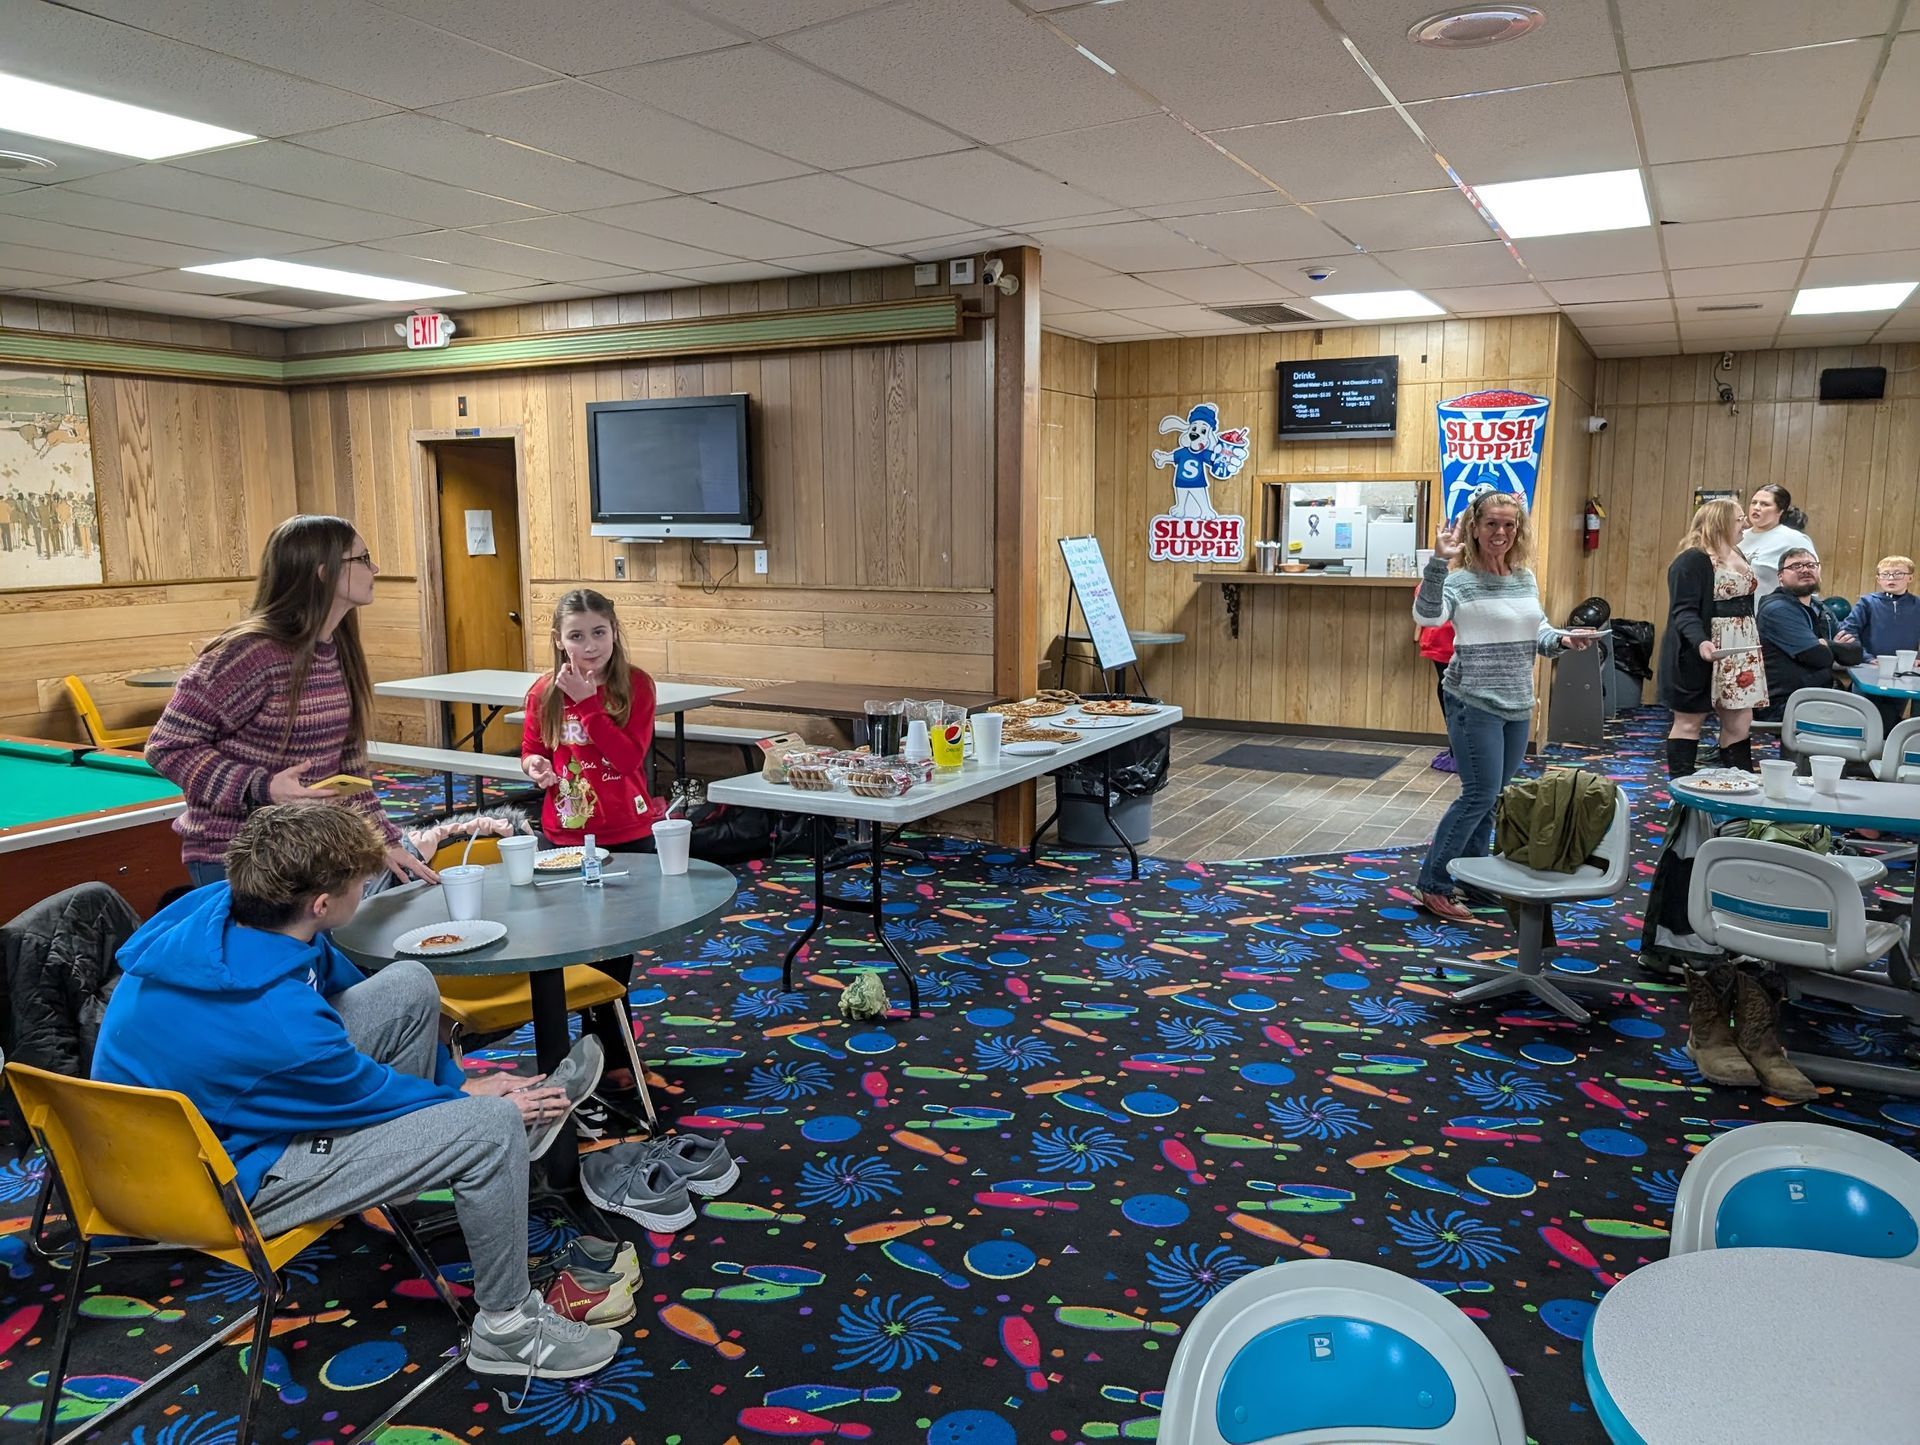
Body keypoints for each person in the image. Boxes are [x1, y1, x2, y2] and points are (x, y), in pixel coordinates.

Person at [90, 804, 622, 1382]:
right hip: (215, 1180)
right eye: (359, 886)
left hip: (165, 1133)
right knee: (491, 1131)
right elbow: (361, 1091)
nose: (364, 893)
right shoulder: (285, 1028)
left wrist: (452, 1083)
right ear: (322, 904)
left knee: (409, 984)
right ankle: (507, 1328)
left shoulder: (227, 911)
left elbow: (348, 1001)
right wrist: (478, 1106)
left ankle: (442, 1158)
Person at [145, 515, 435, 888]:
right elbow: (167, 746)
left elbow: (347, 768)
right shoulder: (249, 653)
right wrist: (261, 787)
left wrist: (386, 841)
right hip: (240, 857)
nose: (374, 568)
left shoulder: (335, 646)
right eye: (362, 559)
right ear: (324, 573)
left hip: (307, 851)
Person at [1412, 491, 1593, 923]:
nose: (1501, 533)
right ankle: (1434, 885)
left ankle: (1473, 880)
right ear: (1474, 528)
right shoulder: (1459, 581)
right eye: (1492, 524)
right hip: (1473, 700)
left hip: (1517, 701)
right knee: (1477, 795)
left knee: (1492, 798)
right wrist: (1438, 562)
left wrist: (1564, 640)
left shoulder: (1524, 577)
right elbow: (1427, 617)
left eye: (1509, 525)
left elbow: (1539, 631)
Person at [521, 589, 663, 852]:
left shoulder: (637, 685)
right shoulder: (543, 692)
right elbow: (532, 751)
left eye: (599, 632)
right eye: (576, 636)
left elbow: (627, 760)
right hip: (566, 830)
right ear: (558, 640)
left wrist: (587, 704)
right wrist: (534, 765)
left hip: (628, 828)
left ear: (614, 631)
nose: (590, 646)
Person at [1659, 499, 1767, 777]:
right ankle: (1681, 793)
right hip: (1703, 647)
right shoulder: (1691, 560)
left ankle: (1738, 788)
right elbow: (1683, 612)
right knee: (1689, 721)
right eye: (1739, 519)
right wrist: (1701, 643)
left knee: (1740, 721)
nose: (1745, 523)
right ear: (1720, 523)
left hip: (1739, 647)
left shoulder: (1738, 553)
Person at [1756, 549, 1862, 724]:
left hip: (1817, 696)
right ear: (1780, 576)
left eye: (1811, 565)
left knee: (1876, 713)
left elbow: (1854, 654)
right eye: (1796, 566)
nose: (1805, 569)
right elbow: (1818, 657)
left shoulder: (1821, 609)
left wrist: (1825, 644)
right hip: (1786, 703)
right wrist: (1832, 648)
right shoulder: (1777, 610)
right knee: (1868, 721)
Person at [1839, 555, 1920, 731]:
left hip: (1903, 673)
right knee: (1863, 715)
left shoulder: (1917, 605)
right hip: (1870, 669)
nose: (1891, 579)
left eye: (1898, 574)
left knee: (1891, 717)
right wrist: (1867, 658)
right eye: (1885, 574)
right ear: (1878, 579)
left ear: (1910, 577)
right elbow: (1849, 630)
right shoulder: (1867, 602)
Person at [1739, 483, 1816, 597]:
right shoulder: (1738, 537)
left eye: (1765, 504)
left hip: (1775, 610)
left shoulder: (1794, 539)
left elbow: (1810, 581)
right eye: (1754, 502)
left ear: (1780, 511)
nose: (1756, 507)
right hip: (1740, 611)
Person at [1416, 614, 1457, 773]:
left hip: (1446, 633)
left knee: (1448, 687)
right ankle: (1458, 749)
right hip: (1451, 633)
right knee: (1450, 689)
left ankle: (1457, 749)